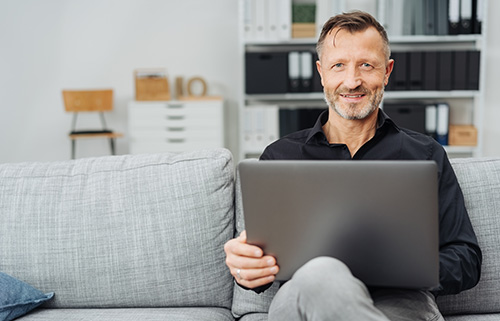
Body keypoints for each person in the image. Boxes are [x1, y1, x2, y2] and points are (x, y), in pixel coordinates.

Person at [224, 10, 482, 321]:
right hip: (304, 297)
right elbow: (259, 266)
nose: (352, 81)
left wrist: (406, 267)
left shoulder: (425, 154)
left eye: (366, 66)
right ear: (321, 73)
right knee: (320, 273)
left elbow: (466, 258)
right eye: (338, 66)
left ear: (386, 72)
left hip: (402, 302)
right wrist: (246, 266)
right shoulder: (280, 158)